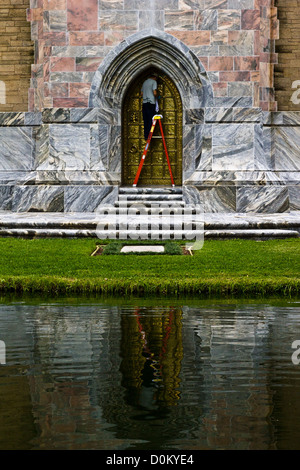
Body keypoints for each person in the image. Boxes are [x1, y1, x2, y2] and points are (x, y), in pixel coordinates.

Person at [141, 74, 158, 140]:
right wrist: (157, 97)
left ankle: (146, 135)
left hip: (144, 103)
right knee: (151, 119)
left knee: (146, 120)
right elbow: (155, 92)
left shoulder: (145, 82)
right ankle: (150, 135)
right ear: (155, 77)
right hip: (151, 103)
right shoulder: (154, 82)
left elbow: (141, 93)